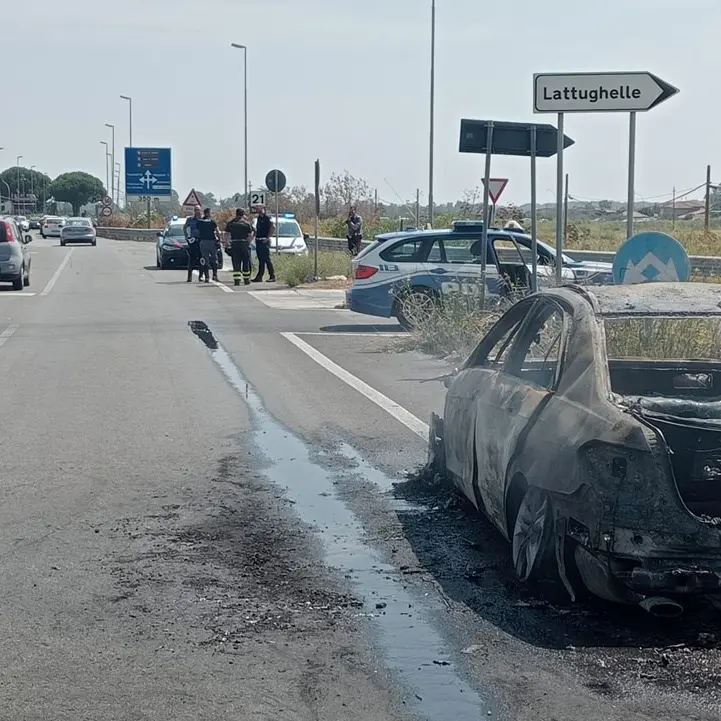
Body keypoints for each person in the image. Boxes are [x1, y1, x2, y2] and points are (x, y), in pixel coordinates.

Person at [225, 208, 254, 286]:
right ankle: (246, 280)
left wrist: (226, 244)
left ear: (236, 213)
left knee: (236, 263)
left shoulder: (231, 223)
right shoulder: (247, 223)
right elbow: (250, 235)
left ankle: (237, 281)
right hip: (244, 244)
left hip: (234, 244)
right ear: (243, 214)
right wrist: (248, 242)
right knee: (246, 262)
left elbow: (226, 235)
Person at [251, 205, 276, 283]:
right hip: (258, 240)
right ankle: (259, 276)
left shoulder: (267, 218)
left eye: (258, 208)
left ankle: (272, 276)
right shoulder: (259, 218)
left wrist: (268, 238)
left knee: (267, 259)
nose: (257, 209)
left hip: (264, 241)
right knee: (260, 260)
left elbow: (273, 227)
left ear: (263, 208)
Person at [197, 207, 220, 283]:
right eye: (210, 213)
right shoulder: (212, 222)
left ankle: (207, 277)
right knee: (214, 259)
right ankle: (214, 275)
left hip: (203, 242)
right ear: (207, 213)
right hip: (212, 242)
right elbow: (217, 231)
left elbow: (197, 231)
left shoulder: (200, 222)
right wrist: (218, 240)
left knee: (205, 259)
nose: (211, 214)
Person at [184, 206, 203, 282]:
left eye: (198, 210)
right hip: (193, 241)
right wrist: (187, 237)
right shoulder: (190, 219)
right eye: (196, 210)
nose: (197, 211)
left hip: (201, 241)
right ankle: (189, 277)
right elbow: (185, 227)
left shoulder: (203, 219)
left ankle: (201, 276)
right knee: (192, 259)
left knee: (202, 259)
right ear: (194, 211)